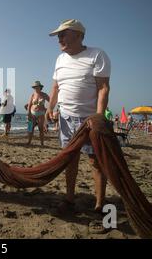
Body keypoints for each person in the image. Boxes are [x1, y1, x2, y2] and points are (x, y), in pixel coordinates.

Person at [45, 19, 111, 223]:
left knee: (96, 162)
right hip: (65, 118)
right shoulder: (59, 59)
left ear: (79, 35)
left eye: (63, 34)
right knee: (69, 159)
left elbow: (103, 88)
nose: (60, 39)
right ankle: (69, 199)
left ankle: (99, 206)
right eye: (58, 36)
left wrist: (98, 117)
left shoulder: (96, 55)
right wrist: (50, 106)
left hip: (89, 119)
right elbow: (55, 87)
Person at [27, 81, 50, 146]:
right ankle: (29, 142)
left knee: (41, 129)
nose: (36, 88)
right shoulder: (33, 94)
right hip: (32, 113)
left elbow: (51, 102)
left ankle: (42, 143)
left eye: (37, 87)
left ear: (40, 87)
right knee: (30, 128)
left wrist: (48, 109)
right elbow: (29, 104)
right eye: (35, 87)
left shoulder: (44, 94)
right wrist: (28, 113)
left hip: (41, 113)